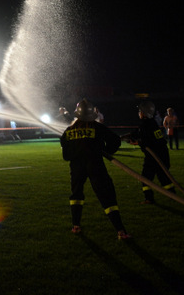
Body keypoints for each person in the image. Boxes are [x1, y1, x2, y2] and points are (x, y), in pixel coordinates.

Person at [60, 99, 131, 240]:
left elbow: (66, 155)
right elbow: (115, 140)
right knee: (106, 195)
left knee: (76, 195)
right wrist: (105, 151)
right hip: (96, 165)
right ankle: (121, 231)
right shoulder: (97, 127)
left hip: (77, 168)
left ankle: (76, 226)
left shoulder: (69, 131)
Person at [122, 101, 176, 204]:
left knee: (145, 178)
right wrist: (122, 137)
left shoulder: (145, 125)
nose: (139, 113)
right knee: (164, 178)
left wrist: (136, 142)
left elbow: (145, 141)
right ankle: (173, 196)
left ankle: (149, 199)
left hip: (153, 157)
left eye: (140, 111)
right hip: (162, 155)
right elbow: (136, 133)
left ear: (144, 113)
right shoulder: (152, 123)